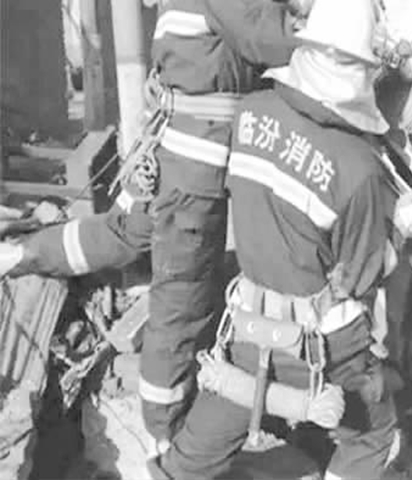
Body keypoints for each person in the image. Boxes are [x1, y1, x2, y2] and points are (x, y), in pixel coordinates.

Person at [145, 0, 412, 479]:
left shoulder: (250, 112)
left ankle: (178, 466)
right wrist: (405, 224)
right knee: (372, 433)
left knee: (198, 447)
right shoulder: (359, 167)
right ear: (363, 70)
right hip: (323, 349)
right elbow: (359, 279)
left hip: (247, 333)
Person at [0, 0, 308, 457]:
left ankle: (23, 253)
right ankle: (165, 435)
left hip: (170, 149)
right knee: (183, 294)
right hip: (196, 168)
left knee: (124, 231)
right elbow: (274, 38)